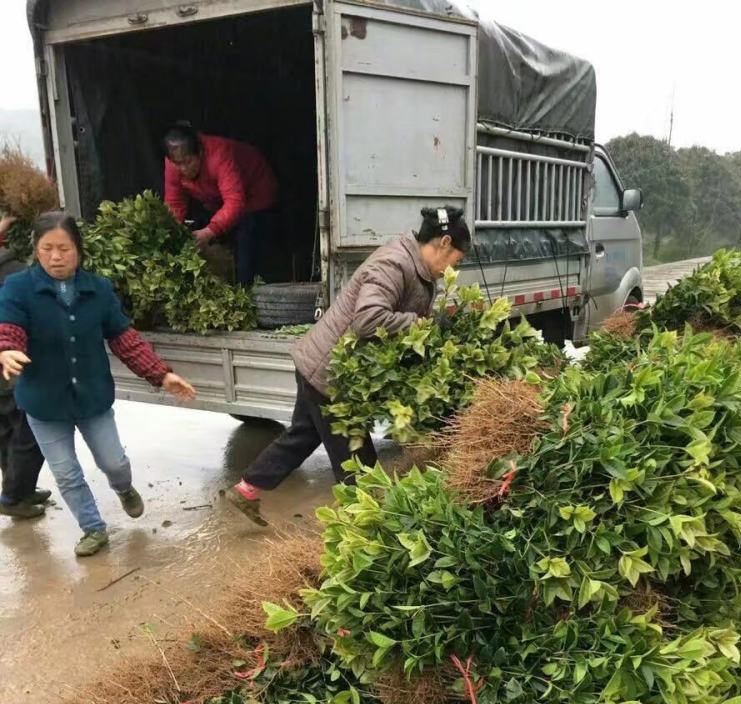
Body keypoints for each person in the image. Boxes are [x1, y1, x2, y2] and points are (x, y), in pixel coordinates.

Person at [225, 206, 472, 526]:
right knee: (361, 469)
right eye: (457, 259)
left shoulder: (417, 267)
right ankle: (369, 532)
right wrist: (420, 323)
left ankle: (246, 489)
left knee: (302, 435)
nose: (454, 268)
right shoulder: (394, 264)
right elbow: (367, 320)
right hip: (330, 374)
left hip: (320, 363)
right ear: (444, 242)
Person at [0, 211, 196, 557]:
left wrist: (161, 373)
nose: (56, 257)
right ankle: (93, 528)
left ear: (79, 250)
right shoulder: (18, 288)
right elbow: (9, 327)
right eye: (47, 249)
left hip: (92, 397)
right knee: (66, 474)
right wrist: (7, 350)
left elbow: (123, 337)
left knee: (114, 462)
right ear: (36, 249)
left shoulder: (99, 289)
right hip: (44, 405)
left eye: (64, 248)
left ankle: (124, 489)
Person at [162, 122, 279, 286]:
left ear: (200, 153)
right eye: (177, 163)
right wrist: (170, 233)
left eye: (187, 162)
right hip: (216, 199)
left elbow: (234, 201)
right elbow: (174, 203)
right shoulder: (173, 163)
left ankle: (244, 291)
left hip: (255, 193)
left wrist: (209, 232)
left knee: (247, 242)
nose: (182, 169)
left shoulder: (219, 154)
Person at [0, 213, 50, 520]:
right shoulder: (13, 270)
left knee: (6, 428)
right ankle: (13, 495)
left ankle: (16, 488)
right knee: (30, 428)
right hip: (8, 363)